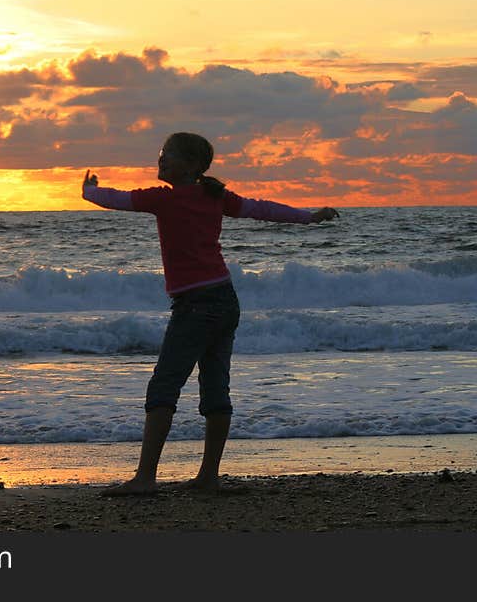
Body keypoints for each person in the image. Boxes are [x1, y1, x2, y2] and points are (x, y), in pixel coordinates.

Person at [82, 132, 339, 496]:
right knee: (215, 386)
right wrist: (308, 217)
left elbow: (117, 199)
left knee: (165, 385)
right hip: (225, 300)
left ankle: (145, 479)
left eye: (166, 156)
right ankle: (208, 477)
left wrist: (89, 191)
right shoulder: (214, 196)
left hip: (195, 306)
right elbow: (262, 209)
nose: (160, 161)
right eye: (161, 154)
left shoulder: (164, 199)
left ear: (189, 165)